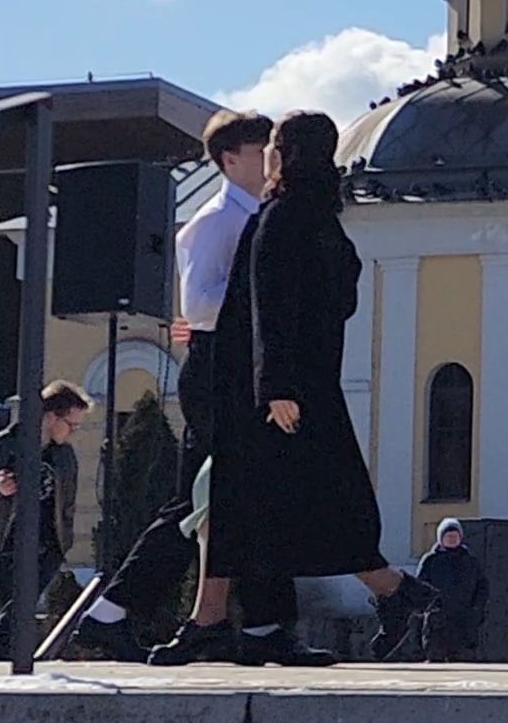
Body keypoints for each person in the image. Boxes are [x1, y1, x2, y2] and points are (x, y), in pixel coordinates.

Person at [208, 111, 436, 666]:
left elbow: (268, 306)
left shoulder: (281, 216)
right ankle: (262, 628)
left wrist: (275, 385)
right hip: (311, 383)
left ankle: (396, 592)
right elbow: (342, 295)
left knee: (297, 505)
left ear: (281, 155)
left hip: (276, 396)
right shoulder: (322, 218)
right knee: (285, 507)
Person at [72, 110, 275, 665]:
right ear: (230, 159)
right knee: (197, 501)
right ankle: (110, 612)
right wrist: (263, 296)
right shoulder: (214, 220)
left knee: (239, 499)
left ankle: (262, 627)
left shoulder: (255, 213)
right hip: (216, 371)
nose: (271, 160)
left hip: (234, 367)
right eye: (263, 150)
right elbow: (199, 304)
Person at [0, 382, 90, 656]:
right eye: (71, 424)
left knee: (20, 605)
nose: (73, 432)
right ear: (50, 416)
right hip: (9, 543)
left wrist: (65, 543)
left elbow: (67, 504)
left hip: (49, 544)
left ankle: (4, 658)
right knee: (13, 606)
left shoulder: (64, 456)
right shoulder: (5, 445)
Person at [417, 519, 489, 663]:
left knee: (463, 660)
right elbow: (420, 585)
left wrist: (476, 609)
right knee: (435, 659)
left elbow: (482, 587)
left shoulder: (470, 561)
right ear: (441, 538)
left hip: (464, 620)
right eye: (448, 536)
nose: (452, 539)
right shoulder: (430, 560)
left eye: (455, 536)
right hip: (437, 620)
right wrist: (429, 608)